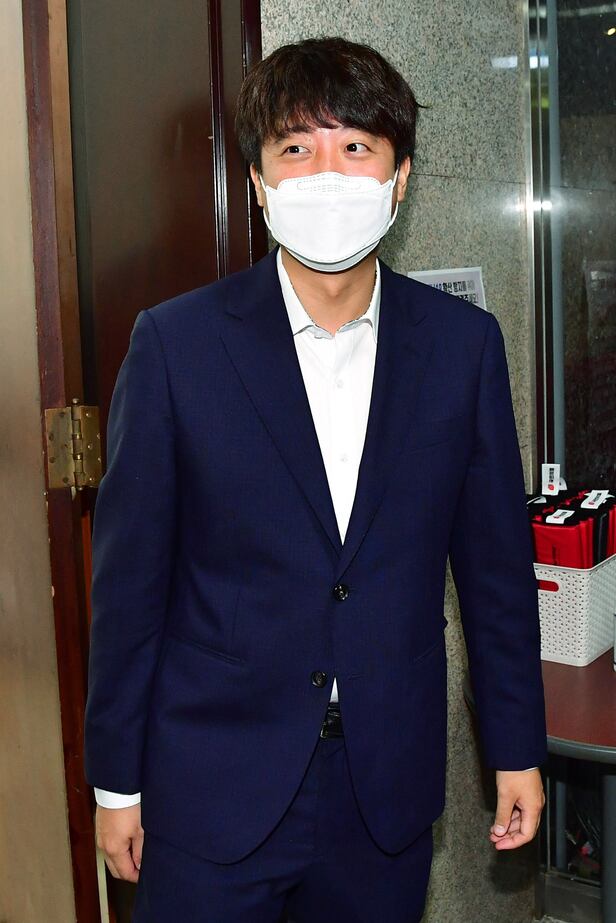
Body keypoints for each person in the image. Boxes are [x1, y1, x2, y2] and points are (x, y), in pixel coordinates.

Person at [84, 36, 547, 923]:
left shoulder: (461, 348)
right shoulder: (177, 345)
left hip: (384, 788)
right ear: (259, 183)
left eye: (356, 146)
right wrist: (115, 782)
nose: (327, 175)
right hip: (211, 783)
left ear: (399, 179)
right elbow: (130, 588)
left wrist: (517, 747)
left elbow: (495, 572)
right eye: (296, 148)